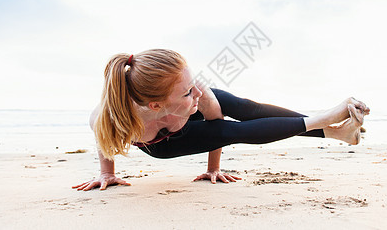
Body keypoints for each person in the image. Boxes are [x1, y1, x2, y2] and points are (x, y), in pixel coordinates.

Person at [73, 49, 369, 191]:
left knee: (245, 108)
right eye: (189, 90)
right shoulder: (111, 115)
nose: (198, 91)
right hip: (163, 143)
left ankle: (336, 132)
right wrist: (106, 173)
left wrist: (213, 168)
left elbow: (218, 125)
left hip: (185, 112)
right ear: (156, 104)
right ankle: (329, 123)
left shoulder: (200, 93)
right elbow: (104, 139)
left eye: (194, 81)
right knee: (235, 132)